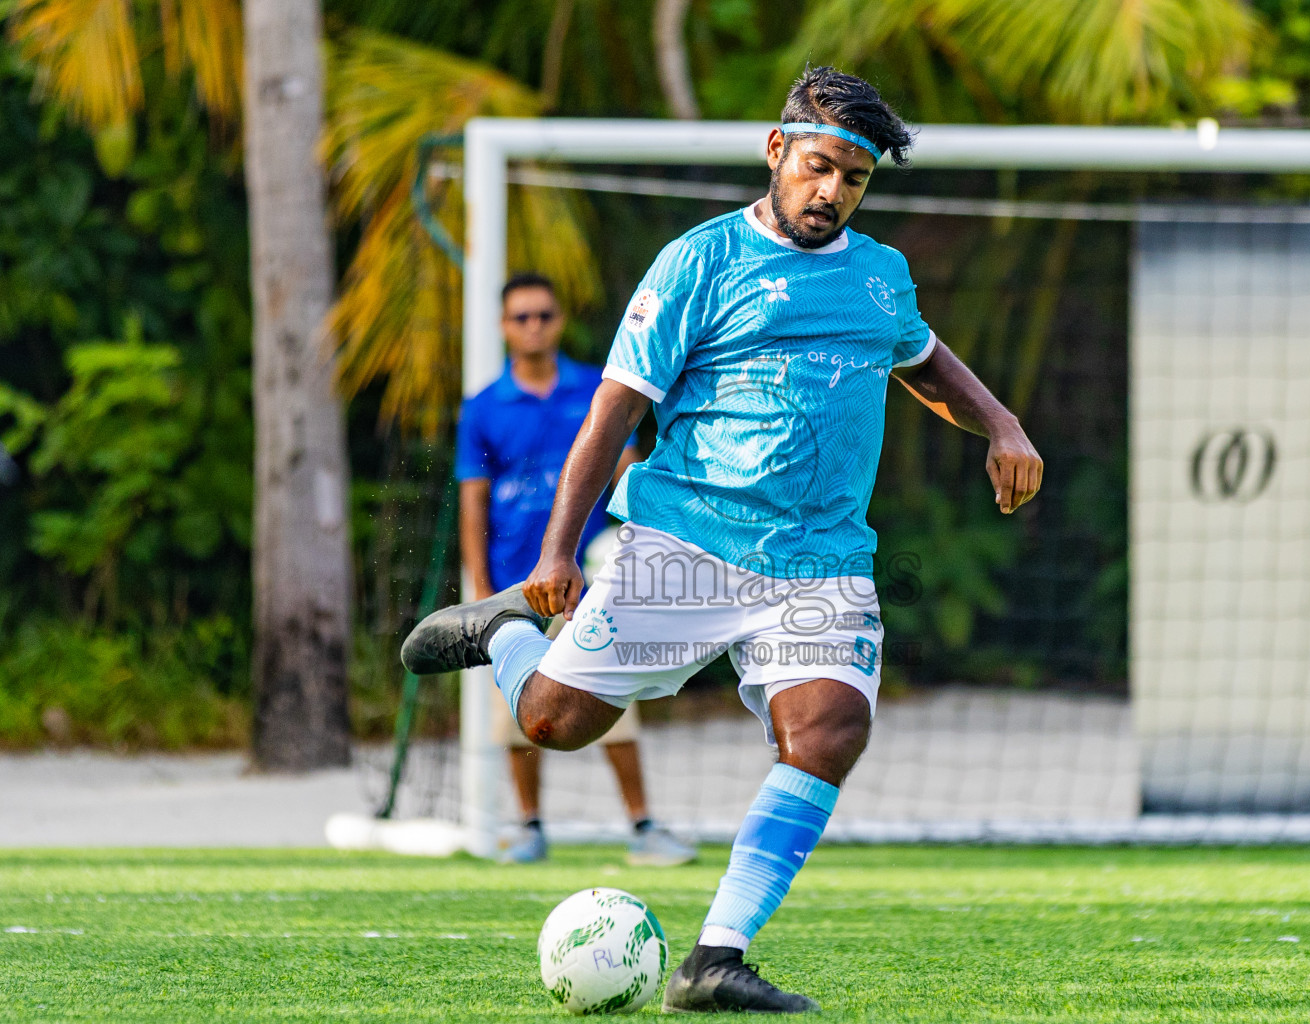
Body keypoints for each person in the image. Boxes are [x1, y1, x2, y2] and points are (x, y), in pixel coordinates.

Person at [406, 67, 1042, 1013]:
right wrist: (556, 553)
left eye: (855, 179)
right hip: (687, 544)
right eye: (820, 167)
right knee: (554, 724)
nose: (833, 192)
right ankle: (502, 632)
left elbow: (920, 358)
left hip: (821, 561)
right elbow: (613, 412)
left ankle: (714, 959)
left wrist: (1001, 424)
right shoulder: (698, 263)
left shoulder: (879, 275)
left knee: (829, 730)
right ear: (778, 150)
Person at [456, 271, 696, 868]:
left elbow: (626, 471)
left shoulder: (595, 388)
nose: (534, 326)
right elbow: (474, 503)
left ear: (559, 321)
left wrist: (637, 549)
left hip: (591, 580)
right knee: (518, 711)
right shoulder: (483, 408)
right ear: (504, 326)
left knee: (611, 698)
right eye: (522, 317)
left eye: (544, 315)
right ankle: (530, 828)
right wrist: (483, 593)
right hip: (515, 585)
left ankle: (643, 826)